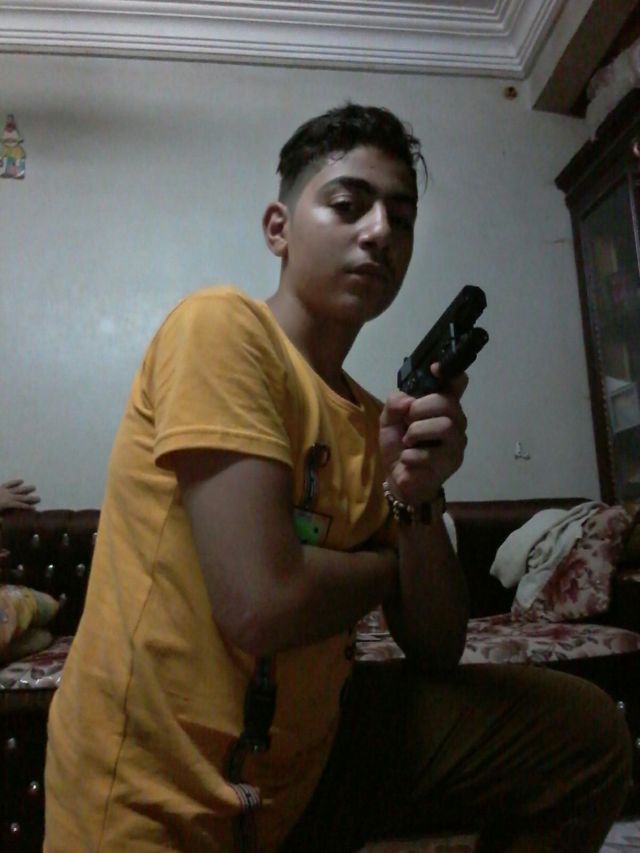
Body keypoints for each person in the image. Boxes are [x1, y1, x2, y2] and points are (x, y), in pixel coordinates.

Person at [44, 103, 631, 852]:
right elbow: (262, 602)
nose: (381, 231)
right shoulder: (221, 328)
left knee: (583, 732)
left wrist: (417, 497)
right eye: (349, 205)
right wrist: (385, 571)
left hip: (304, 776)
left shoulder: (373, 421)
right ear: (279, 229)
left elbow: (437, 644)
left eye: (401, 218)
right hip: (151, 799)